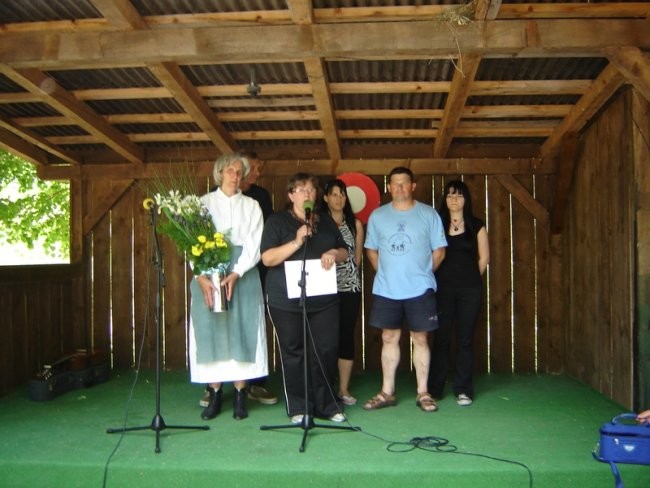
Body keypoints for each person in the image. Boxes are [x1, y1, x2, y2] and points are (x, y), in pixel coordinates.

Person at [260, 173, 349, 425]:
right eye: (300, 189)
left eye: (310, 189)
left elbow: (344, 250)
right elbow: (267, 259)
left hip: (323, 300)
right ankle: (299, 406)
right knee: (294, 352)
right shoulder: (277, 222)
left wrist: (333, 252)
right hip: (286, 300)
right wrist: (297, 241)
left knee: (326, 350)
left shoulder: (327, 221)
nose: (307, 193)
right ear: (291, 195)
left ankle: (327, 404)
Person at [189, 153, 267, 421]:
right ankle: (213, 393)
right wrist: (200, 274)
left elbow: (255, 244)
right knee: (212, 329)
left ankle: (240, 393)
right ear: (219, 173)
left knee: (242, 328)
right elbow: (190, 243)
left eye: (239, 171)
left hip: (242, 274)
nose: (235, 175)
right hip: (208, 271)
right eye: (231, 170)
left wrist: (237, 272)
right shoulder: (203, 204)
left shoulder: (252, 206)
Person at [363, 166, 447, 413]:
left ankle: (423, 392)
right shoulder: (378, 216)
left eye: (404, 183)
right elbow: (371, 250)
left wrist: (422, 273)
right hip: (387, 289)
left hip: (420, 288)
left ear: (413, 186)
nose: (399, 188)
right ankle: (387, 392)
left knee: (420, 338)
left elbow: (439, 251)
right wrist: (386, 273)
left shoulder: (428, 214)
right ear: (389, 187)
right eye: (394, 184)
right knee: (389, 337)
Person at [427, 180, 489, 407]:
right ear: (445, 199)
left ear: (466, 199)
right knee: (441, 338)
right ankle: (434, 388)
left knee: (464, 339)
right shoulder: (437, 224)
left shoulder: (477, 225)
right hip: (442, 289)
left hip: (470, 290)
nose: (454, 199)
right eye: (450, 195)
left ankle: (463, 389)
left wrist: (470, 279)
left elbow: (484, 258)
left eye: (459, 195)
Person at [322, 179, 364, 406]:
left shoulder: (354, 224)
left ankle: (344, 388)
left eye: (342, 194)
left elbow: (357, 258)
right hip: (323, 288)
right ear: (325, 198)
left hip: (349, 287)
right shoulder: (317, 222)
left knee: (346, 335)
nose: (339, 199)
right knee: (326, 337)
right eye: (334, 194)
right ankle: (325, 385)